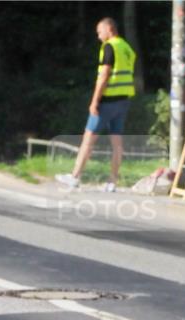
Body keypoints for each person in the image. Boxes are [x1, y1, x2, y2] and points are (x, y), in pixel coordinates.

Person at [55, 17, 136, 192]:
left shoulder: (109, 47)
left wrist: (94, 101)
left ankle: (75, 177)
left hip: (106, 102)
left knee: (88, 140)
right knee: (117, 143)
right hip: (123, 101)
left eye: (100, 32)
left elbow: (104, 75)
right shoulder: (127, 48)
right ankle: (112, 182)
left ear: (109, 29)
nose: (99, 36)